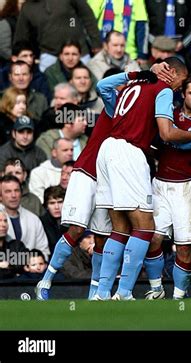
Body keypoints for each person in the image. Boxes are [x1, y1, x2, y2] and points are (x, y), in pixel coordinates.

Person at [35, 69, 135, 300]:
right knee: (77, 230)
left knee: (101, 238)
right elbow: (103, 86)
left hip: (107, 181)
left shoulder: (136, 119)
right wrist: (133, 74)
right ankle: (45, 282)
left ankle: (94, 294)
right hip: (86, 172)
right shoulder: (114, 105)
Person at [94, 58, 189, 301]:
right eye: (181, 80)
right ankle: (124, 292)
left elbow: (102, 86)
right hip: (129, 152)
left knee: (120, 228)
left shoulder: (133, 85)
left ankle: (103, 293)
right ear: (171, 72)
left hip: (107, 150)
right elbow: (166, 132)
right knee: (145, 226)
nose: (181, 87)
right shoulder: (164, 90)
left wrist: (140, 73)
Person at [151, 73, 191, 300]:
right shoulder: (169, 117)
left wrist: (172, 139)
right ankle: (156, 289)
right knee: (153, 239)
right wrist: (188, 137)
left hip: (189, 187)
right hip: (161, 184)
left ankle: (178, 297)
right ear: (183, 94)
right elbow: (157, 141)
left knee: (185, 246)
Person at [13, 0, 102, 72]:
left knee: (87, 82)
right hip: (49, 53)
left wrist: (96, 43)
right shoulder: (27, 7)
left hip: (79, 51)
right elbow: (21, 36)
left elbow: (88, 17)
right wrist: (19, 57)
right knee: (50, 89)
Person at [1, 175, 49, 258]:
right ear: (0, 196)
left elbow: (44, 250)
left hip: (32, 268)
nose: (13, 195)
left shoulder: (33, 219)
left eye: (16, 190)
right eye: (8, 191)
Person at [28, 138, 73, 203]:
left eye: (72, 150)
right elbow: (38, 200)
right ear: (54, 152)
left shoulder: (78, 172)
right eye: (65, 150)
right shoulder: (38, 173)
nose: (70, 153)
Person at [0, 207, 29, 279]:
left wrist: (9, 266)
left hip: (14, 287)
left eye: (5, 221)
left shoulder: (17, 245)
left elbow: (23, 264)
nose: (3, 225)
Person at [40, 186, 65, 256]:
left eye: (60, 202)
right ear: (46, 205)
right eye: (52, 203)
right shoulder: (41, 223)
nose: (57, 207)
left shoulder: (72, 222)